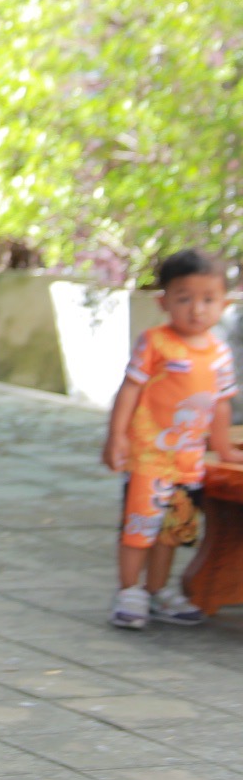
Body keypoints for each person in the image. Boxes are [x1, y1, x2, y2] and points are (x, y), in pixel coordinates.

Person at [103, 248, 239, 629]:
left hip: (189, 462)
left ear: (224, 303)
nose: (197, 310)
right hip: (148, 457)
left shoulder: (219, 354)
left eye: (208, 300)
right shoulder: (155, 343)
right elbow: (129, 390)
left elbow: (221, 405)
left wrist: (224, 448)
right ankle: (129, 591)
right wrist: (116, 437)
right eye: (184, 299)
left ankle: (158, 590)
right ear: (164, 302)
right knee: (139, 527)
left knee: (174, 530)